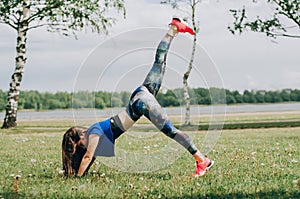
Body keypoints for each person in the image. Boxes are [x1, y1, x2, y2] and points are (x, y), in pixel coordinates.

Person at [62, 18, 214, 178]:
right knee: (159, 62)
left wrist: (77, 178)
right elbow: (89, 157)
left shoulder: (93, 134)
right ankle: (173, 29)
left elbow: (87, 157)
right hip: (140, 94)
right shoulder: (95, 130)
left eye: (76, 146)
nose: (81, 148)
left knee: (171, 131)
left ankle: (202, 160)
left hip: (140, 103)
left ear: (78, 139)